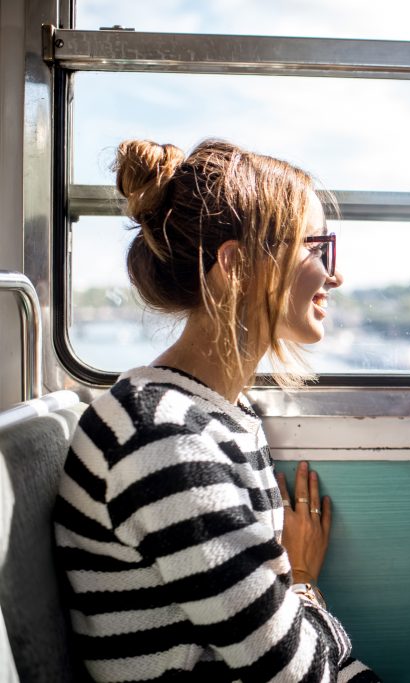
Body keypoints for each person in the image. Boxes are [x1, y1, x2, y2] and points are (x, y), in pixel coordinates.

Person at [53, 139, 380, 682]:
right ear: (237, 266)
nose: (333, 275)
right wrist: (304, 582)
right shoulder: (160, 436)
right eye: (316, 247)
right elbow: (297, 671)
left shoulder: (228, 415)